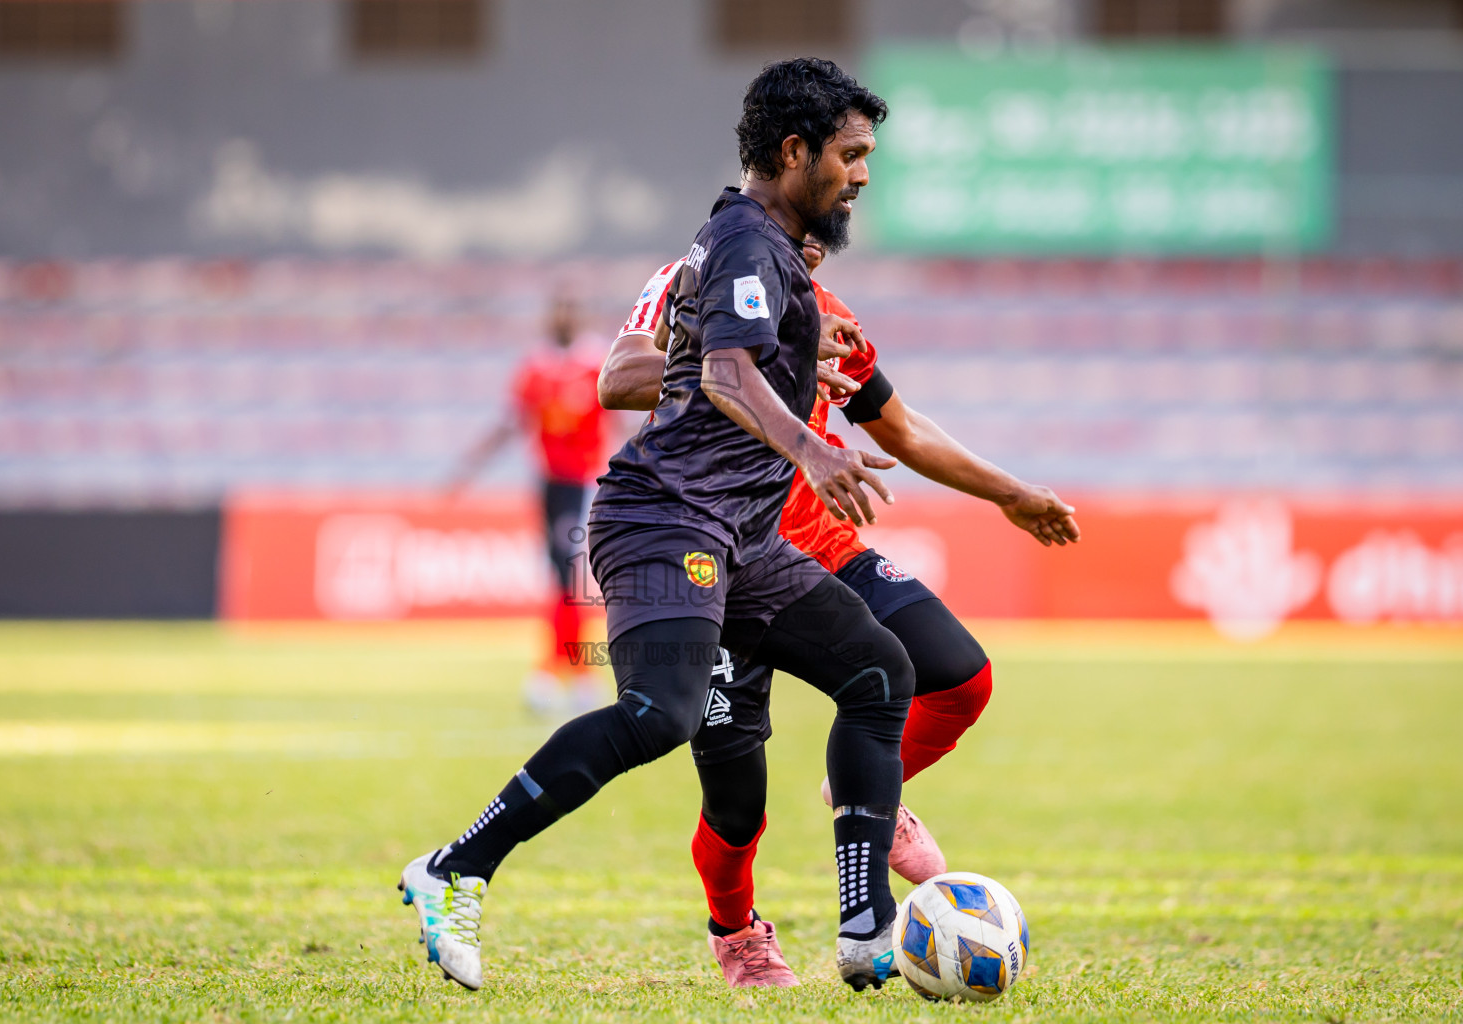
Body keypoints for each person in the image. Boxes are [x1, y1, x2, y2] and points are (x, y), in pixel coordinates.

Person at [401, 56, 927, 994]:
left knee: (879, 670)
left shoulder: (769, 251)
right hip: (663, 518)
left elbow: (726, 359)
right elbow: (721, 376)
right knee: (659, 715)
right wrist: (813, 450)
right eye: (851, 155)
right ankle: (454, 869)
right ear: (795, 151)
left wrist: (813, 342)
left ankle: (863, 923)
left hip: (739, 534)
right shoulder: (742, 241)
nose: (863, 174)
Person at [600, 236, 1079, 988]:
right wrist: (776, 358)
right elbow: (620, 375)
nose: (826, 230)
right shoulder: (691, 276)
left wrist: (1010, 493)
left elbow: (904, 430)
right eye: (830, 182)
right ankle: (737, 935)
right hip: (721, 564)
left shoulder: (837, 320)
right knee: (735, 804)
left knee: (959, 678)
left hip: (824, 552)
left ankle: (865, 797)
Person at [449, 289, 610, 713]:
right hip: (549, 483)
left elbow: (619, 418)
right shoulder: (535, 367)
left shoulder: (596, 362)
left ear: (580, 317)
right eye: (557, 310)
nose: (562, 318)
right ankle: (571, 673)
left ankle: (563, 673)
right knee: (561, 578)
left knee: (567, 575)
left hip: (583, 482)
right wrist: (470, 467)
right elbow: (512, 422)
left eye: (569, 310)